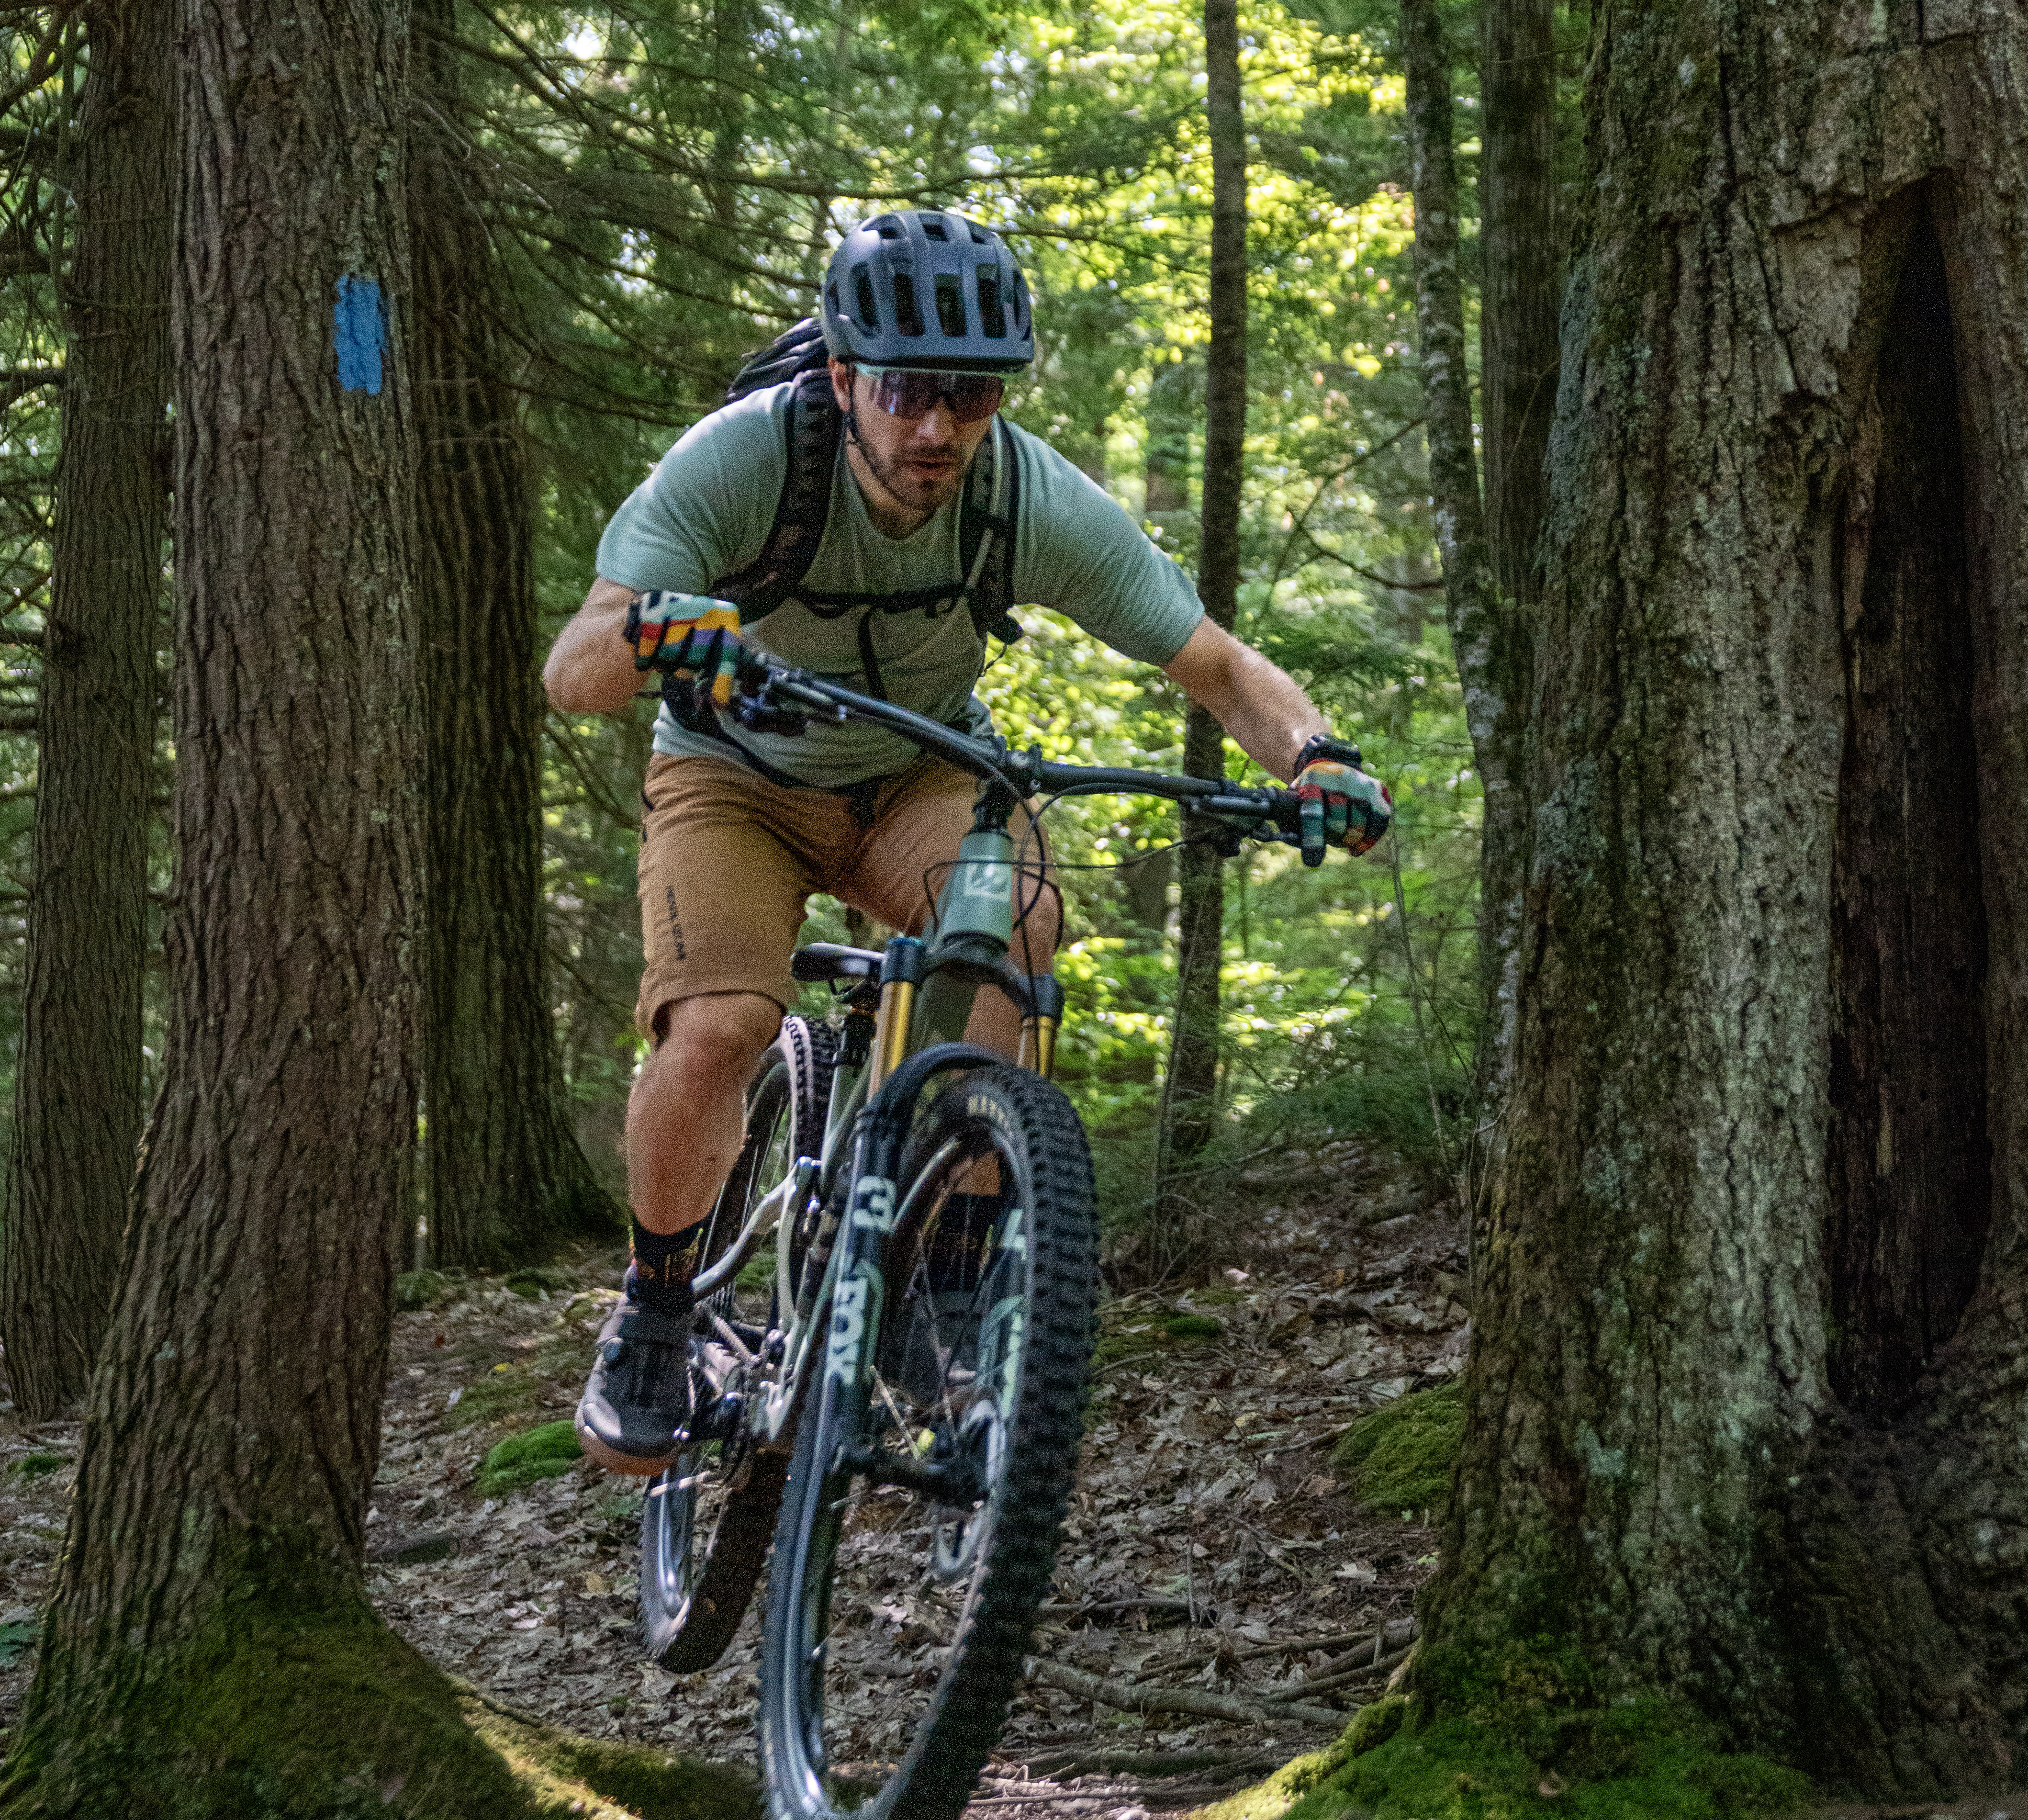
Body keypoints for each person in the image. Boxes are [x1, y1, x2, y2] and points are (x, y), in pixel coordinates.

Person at [542, 204, 1394, 1471]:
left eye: (972, 397)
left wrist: (1320, 758)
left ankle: (939, 1285)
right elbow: (576, 673)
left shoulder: (1024, 497)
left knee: (1021, 928)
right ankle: (657, 1312)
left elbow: (1212, 664)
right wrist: (657, 633)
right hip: (737, 781)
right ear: (844, 378)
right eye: (906, 390)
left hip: (919, 776)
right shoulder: (741, 464)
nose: (936, 427)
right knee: (719, 1023)